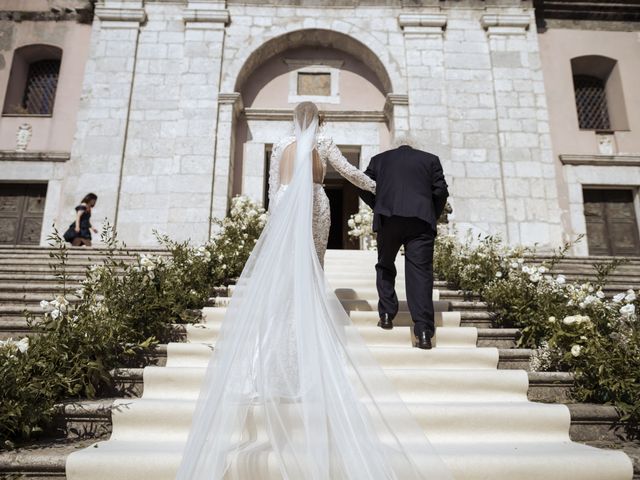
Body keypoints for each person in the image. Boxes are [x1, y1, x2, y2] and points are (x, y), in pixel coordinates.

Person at [174, 103, 454, 479]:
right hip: (318, 205)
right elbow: (351, 173)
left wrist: (278, 219)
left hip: (287, 205)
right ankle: (313, 335)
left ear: (294, 120)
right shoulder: (323, 141)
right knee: (313, 268)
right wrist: (381, 188)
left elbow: (275, 187)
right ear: (319, 120)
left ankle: (274, 349)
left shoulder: (282, 143)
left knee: (288, 272)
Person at [358, 136, 449, 350]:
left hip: (388, 219)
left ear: (396, 147)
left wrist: (378, 205)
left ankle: (387, 314)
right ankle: (424, 331)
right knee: (420, 273)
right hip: (421, 221)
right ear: (415, 147)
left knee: (385, 265)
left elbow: (361, 185)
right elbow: (441, 191)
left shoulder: (379, 159)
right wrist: (431, 213)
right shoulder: (430, 160)